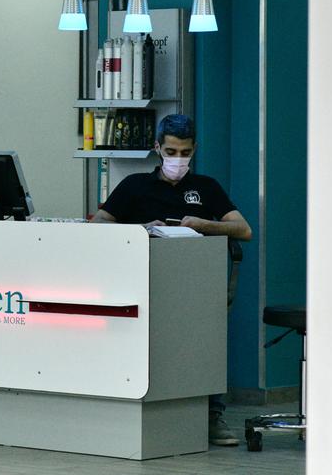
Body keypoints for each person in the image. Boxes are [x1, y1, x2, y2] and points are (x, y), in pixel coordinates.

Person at [91, 113, 252, 446]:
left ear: (194, 150)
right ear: (157, 148)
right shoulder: (135, 186)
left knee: (205, 344)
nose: (178, 159)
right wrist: (140, 230)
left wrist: (204, 225)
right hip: (145, 281)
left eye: (185, 152)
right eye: (171, 152)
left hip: (196, 283)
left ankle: (211, 414)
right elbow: (98, 226)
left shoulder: (206, 188)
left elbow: (243, 229)